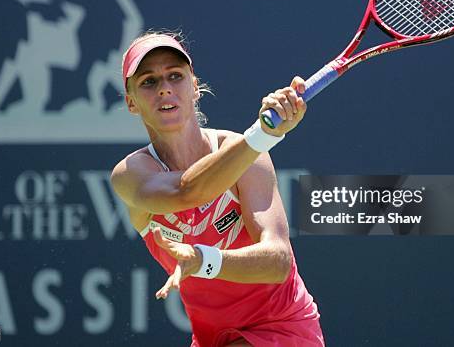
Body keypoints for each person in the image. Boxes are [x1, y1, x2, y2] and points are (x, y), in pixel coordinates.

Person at [111, 31, 324, 347]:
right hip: (211, 338)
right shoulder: (130, 174)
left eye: (175, 76)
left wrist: (202, 259)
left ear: (194, 87)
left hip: (282, 326)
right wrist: (261, 136)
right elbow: (185, 192)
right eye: (148, 82)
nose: (165, 88)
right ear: (132, 102)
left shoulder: (247, 154)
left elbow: (277, 262)